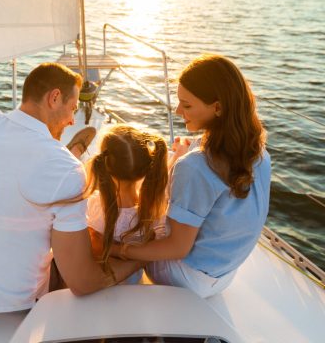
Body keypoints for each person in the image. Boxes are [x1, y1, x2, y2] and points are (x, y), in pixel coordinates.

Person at [0, 63, 141, 313]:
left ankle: (71, 150)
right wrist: (139, 260)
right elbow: (83, 282)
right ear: (54, 97)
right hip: (11, 300)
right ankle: (72, 152)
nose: (73, 119)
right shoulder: (67, 170)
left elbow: (18, 143)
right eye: (73, 108)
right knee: (72, 246)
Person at [112, 54, 271, 298]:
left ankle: (121, 294)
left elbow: (177, 248)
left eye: (186, 105)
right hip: (223, 275)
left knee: (125, 216)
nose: (177, 111)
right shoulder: (258, 151)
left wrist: (121, 249)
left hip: (185, 279)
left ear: (217, 107)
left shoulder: (195, 166)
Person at [84, 125, 169, 283]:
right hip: (134, 284)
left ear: (104, 164)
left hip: (104, 286)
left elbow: (94, 248)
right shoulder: (153, 208)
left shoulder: (97, 205)